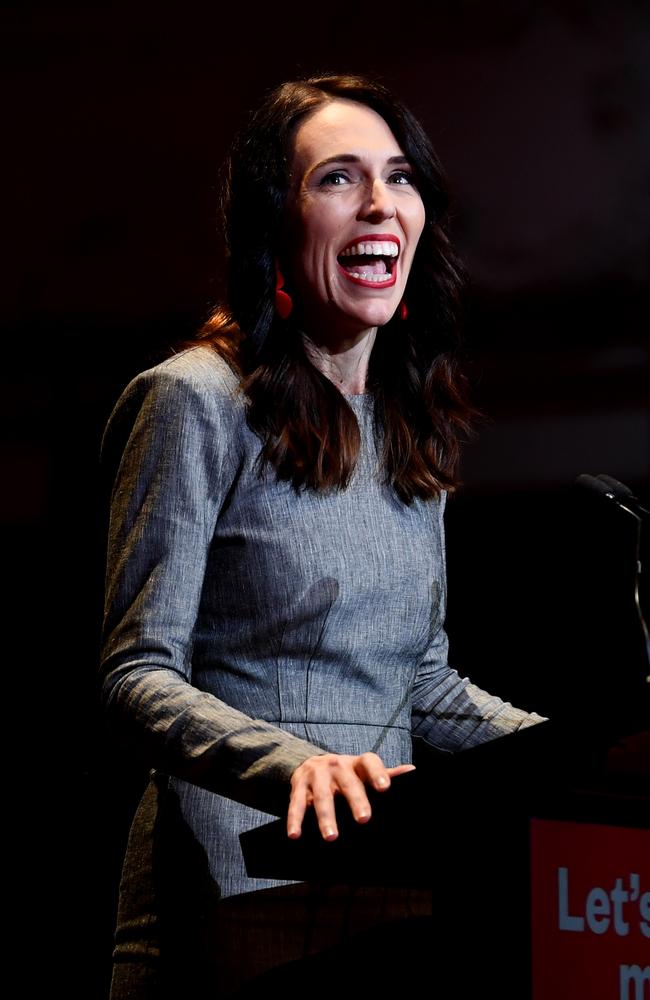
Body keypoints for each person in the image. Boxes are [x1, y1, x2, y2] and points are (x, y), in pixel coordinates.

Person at [99, 73, 546, 998]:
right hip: (226, 891)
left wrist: (578, 756)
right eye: (338, 178)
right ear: (276, 223)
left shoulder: (407, 425)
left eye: (400, 176)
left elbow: (420, 681)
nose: (381, 202)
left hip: (390, 900)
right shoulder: (195, 400)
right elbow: (135, 674)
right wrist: (293, 765)